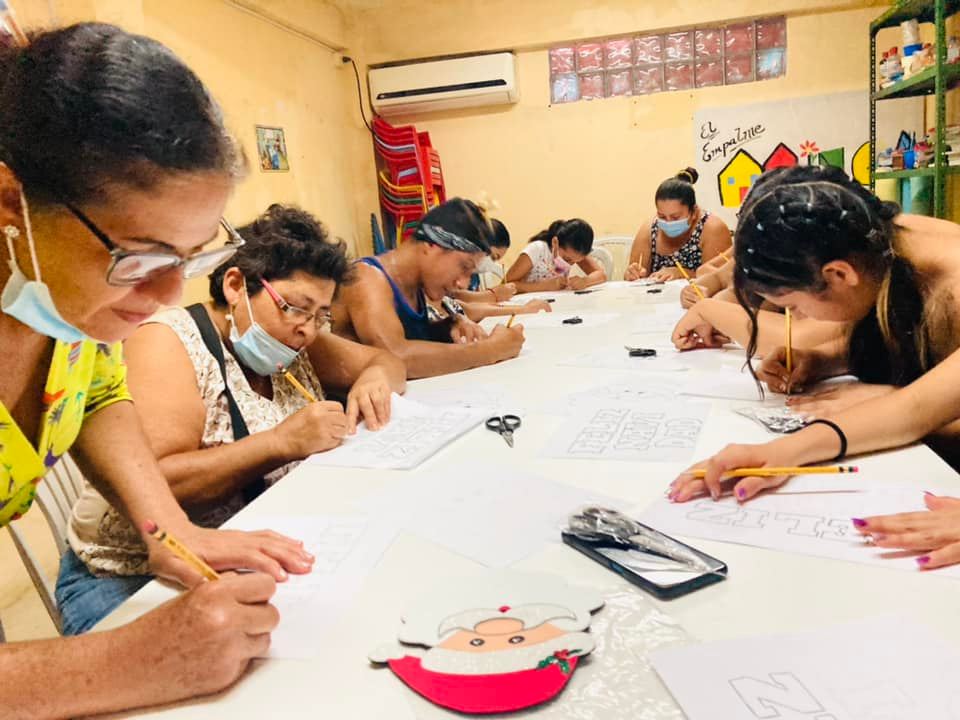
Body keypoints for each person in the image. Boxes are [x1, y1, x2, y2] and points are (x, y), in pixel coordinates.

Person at [0, 23, 317, 717]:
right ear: (8, 204)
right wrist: (125, 661)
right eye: (140, 258)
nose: (171, 295)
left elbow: (96, 396)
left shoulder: (70, 311)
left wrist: (169, 531)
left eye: (191, 256)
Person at [58, 204, 407, 634]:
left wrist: (373, 379)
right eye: (296, 307)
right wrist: (279, 443)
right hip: (132, 577)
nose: (309, 329)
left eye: (321, 315)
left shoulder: (292, 341)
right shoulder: (168, 341)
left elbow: (387, 362)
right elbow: (162, 482)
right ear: (236, 285)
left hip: (242, 549)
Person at [668, 166, 960, 532]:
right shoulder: (880, 240)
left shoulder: (948, 281)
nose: (798, 319)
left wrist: (898, 400)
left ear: (838, 275)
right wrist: (827, 361)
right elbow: (915, 339)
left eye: (794, 307)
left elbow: (913, 410)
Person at [332, 198, 525, 379]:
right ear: (431, 245)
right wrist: (491, 350)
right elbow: (395, 357)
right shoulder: (366, 279)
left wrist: (448, 327)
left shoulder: (417, 285)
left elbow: (410, 335)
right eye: (464, 267)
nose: (463, 283)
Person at [624, 168, 731, 282]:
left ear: (694, 212)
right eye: (662, 216)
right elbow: (634, 279)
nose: (668, 222)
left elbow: (720, 279)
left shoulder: (712, 229)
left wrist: (683, 274)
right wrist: (632, 274)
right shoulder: (650, 229)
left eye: (675, 217)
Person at [504, 219, 605, 293]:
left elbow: (601, 275)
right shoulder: (537, 250)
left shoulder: (576, 252)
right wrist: (542, 286)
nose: (569, 264)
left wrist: (584, 281)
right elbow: (505, 286)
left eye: (575, 262)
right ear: (555, 242)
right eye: (566, 259)